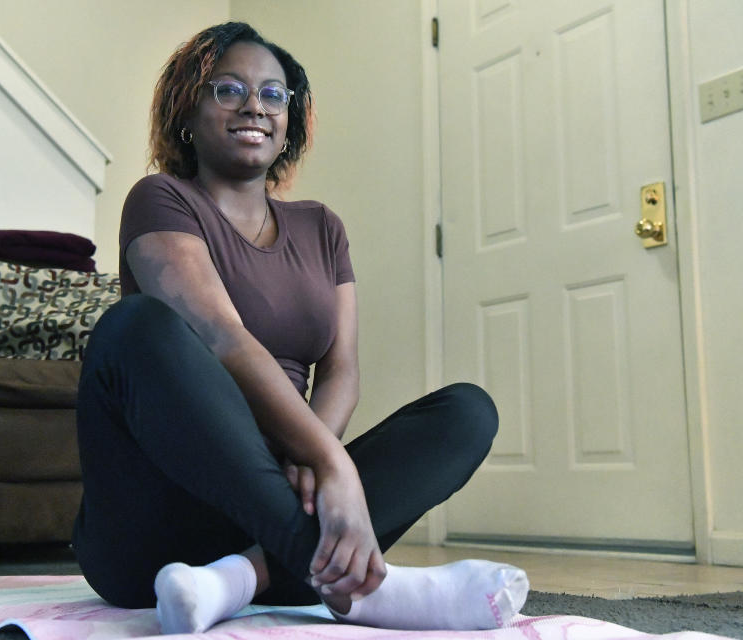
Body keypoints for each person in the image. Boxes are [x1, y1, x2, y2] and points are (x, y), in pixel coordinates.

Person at [71, 21, 528, 635]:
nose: (254, 105)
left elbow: (342, 367)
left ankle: (238, 578)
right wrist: (330, 463)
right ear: (188, 110)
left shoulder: (322, 227)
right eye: (227, 89)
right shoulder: (160, 198)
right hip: (150, 528)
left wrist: (313, 458)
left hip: (272, 500)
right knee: (134, 326)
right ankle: (370, 591)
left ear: (291, 120)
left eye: (273, 94)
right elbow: (219, 335)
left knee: (468, 411)